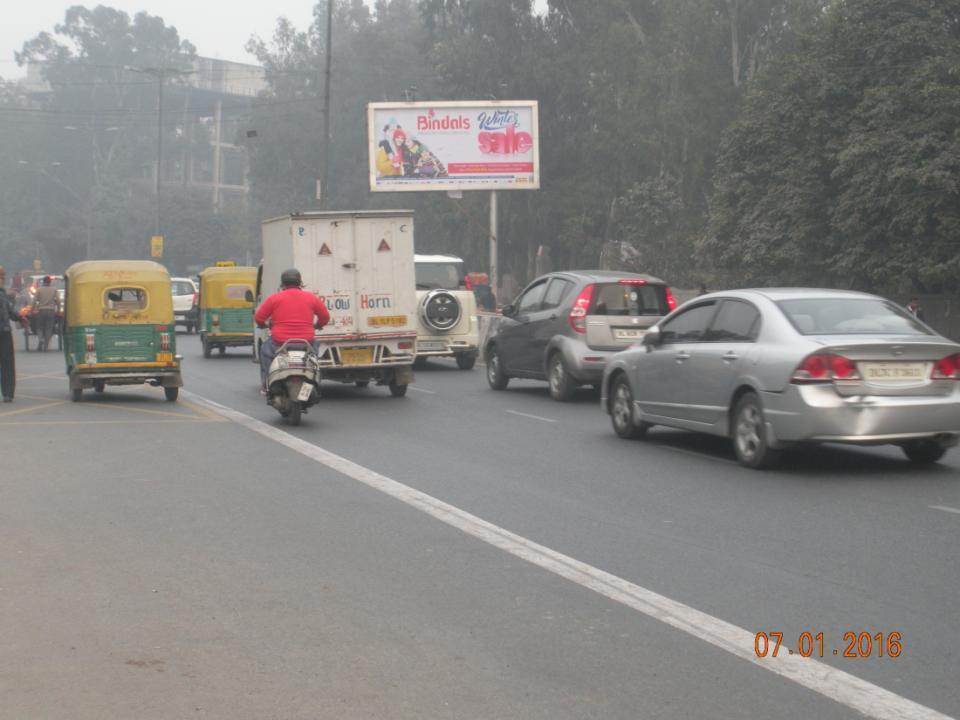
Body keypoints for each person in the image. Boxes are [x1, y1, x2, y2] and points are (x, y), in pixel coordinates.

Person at [254, 268, 330, 391]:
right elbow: (325, 317)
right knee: (315, 356)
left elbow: (259, 317)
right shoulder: (311, 298)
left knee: (264, 350)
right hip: (306, 342)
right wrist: (317, 325)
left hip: (279, 343)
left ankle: (266, 384)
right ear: (300, 282)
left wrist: (264, 324)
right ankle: (315, 379)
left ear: (282, 283)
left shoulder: (275, 298)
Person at [0, 265, 28, 402]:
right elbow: (10, 311)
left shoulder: (3, 293)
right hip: (3, 332)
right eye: (2, 276)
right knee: (7, 364)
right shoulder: (2, 294)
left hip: (4, 330)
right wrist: (21, 318)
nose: (3, 279)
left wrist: (20, 317)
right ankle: (8, 393)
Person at [32, 275, 60, 351]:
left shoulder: (39, 290)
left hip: (41, 310)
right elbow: (58, 301)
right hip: (51, 311)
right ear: (50, 282)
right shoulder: (54, 289)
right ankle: (46, 346)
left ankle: (41, 339)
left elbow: (34, 301)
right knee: (49, 328)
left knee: (39, 327)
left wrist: (32, 310)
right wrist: (59, 310)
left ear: (43, 282)